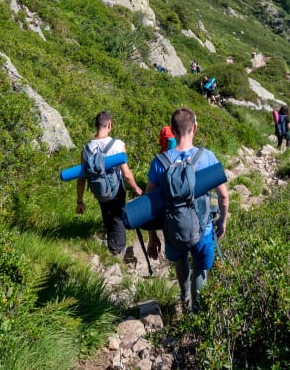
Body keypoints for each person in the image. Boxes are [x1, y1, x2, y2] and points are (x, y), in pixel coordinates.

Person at [146, 107, 229, 313]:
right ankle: (198, 310)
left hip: (173, 230)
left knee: (181, 261)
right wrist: (222, 221)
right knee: (200, 269)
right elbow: (224, 196)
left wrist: (152, 236)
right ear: (195, 128)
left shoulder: (160, 162)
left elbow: (148, 203)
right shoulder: (207, 157)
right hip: (203, 229)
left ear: (172, 131)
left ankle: (184, 299)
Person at [76, 111, 143, 255]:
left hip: (99, 191)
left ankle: (111, 242)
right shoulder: (118, 145)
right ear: (109, 125)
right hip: (116, 189)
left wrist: (80, 201)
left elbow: (81, 179)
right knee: (118, 218)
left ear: (96, 126)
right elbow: (126, 174)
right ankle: (117, 252)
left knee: (107, 213)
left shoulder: (86, 149)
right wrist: (136, 188)